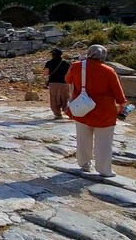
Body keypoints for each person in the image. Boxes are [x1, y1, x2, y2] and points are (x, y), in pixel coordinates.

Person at [65, 44, 128, 177]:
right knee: (104, 141)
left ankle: (84, 164)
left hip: (82, 109)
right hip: (104, 111)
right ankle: (104, 169)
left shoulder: (76, 66)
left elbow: (68, 80)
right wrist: (122, 106)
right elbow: (119, 94)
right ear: (103, 56)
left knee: (83, 139)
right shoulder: (108, 70)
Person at [44, 48, 70, 120]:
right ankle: (68, 111)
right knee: (65, 98)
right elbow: (69, 73)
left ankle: (57, 114)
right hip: (64, 82)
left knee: (54, 98)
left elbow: (46, 73)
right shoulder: (66, 63)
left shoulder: (49, 63)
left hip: (53, 82)